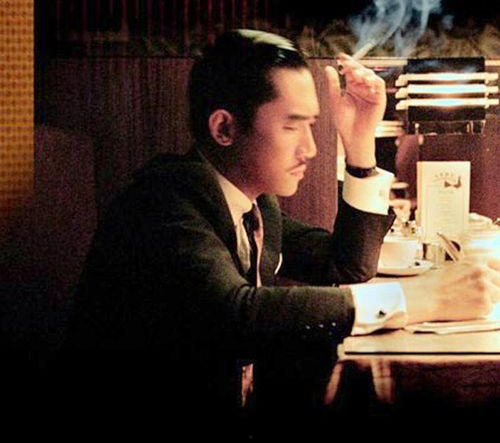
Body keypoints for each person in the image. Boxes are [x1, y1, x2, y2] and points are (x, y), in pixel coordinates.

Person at [64, 29, 500, 436]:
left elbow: (345, 265)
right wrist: (421, 298)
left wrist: (360, 145)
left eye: (311, 124)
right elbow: (235, 315)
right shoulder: (162, 204)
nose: (310, 148)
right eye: (292, 125)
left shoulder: (253, 207)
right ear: (224, 128)